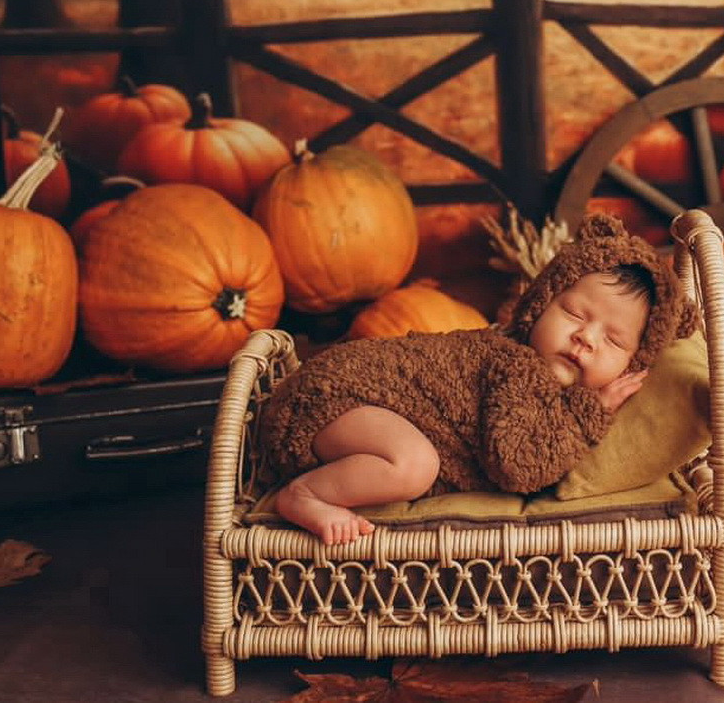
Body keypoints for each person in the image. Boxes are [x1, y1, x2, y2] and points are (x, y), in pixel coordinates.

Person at [260, 213, 698, 545]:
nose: (586, 337)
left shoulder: (546, 383)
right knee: (413, 464)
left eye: (614, 340)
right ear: (540, 301)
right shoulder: (518, 366)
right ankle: (305, 496)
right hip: (332, 399)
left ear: (635, 361)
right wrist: (590, 413)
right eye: (575, 314)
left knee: (410, 458)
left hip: (347, 406)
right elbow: (520, 465)